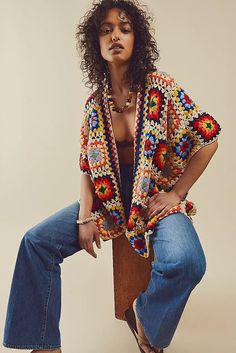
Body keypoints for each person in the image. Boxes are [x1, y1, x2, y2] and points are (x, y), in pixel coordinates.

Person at [2, 1, 222, 353]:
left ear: (138, 39)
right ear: (96, 43)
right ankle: (43, 345)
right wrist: (86, 215)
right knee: (35, 243)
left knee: (187, 261)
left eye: (124, 28)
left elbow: (208, 135)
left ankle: (145, 316)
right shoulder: (94, 105)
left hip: (153, 199)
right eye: (106, 30)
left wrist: (177, 193)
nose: (115, 36)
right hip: (109, 202)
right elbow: (87, 166)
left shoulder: (161, 88)